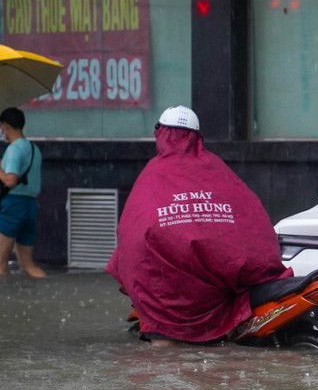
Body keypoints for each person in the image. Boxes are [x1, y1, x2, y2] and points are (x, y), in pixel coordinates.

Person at [106, 106, 291, 345]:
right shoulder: (217, 169)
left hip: (169, 303)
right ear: (197, 136)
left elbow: (131, 236)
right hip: (222, 296)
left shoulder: (153, 175)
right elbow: (251, 225)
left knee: (162, 353)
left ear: (160, 134)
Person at [0, 107, 47, 278]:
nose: (0, 130)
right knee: (28, 265)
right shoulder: (34, 149)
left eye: (0, 126)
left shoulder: (14, 149)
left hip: (12, 206)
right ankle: (46, 287)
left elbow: (11, 181)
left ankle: (2, 295)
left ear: (6, 126)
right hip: (30, 207)